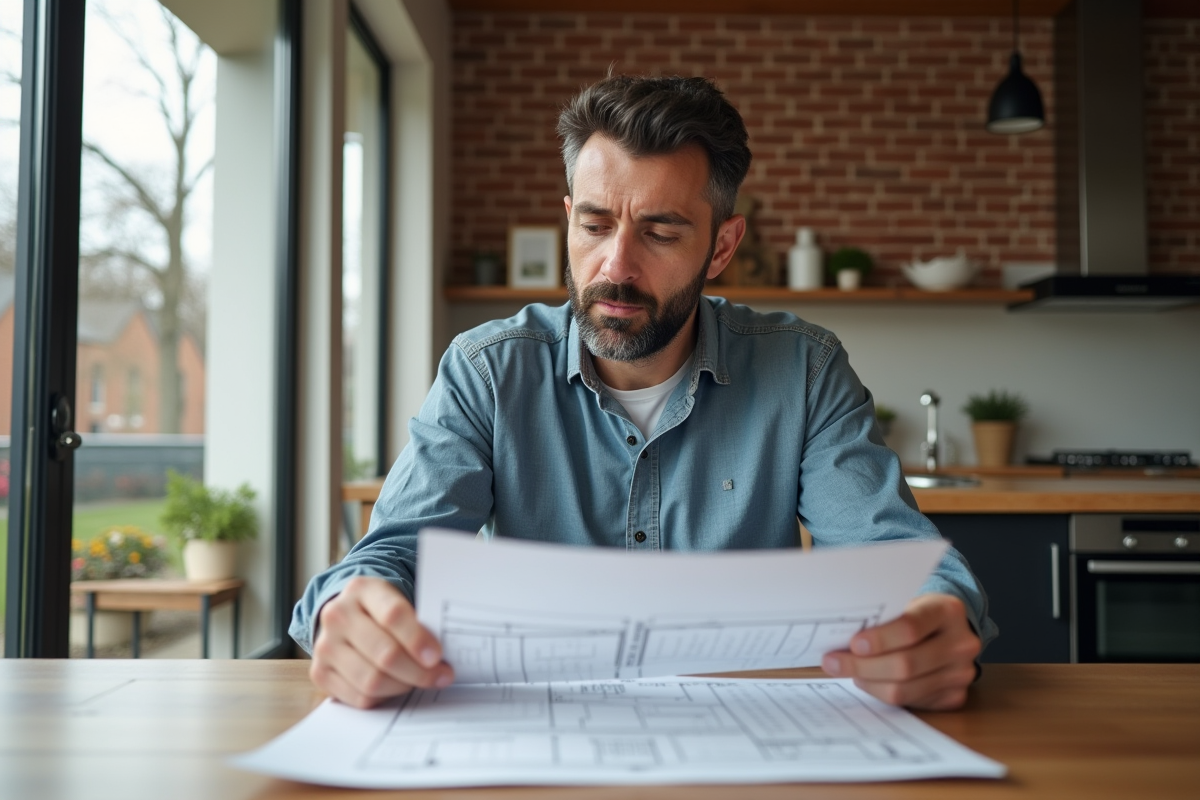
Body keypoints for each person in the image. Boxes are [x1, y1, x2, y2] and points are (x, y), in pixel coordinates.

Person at [291, 75, 996, 712]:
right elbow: (389, 558)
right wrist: (347, 613)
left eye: (659, 232)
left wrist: (936, 615)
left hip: (742, 741)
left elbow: (896, 556)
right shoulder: (487, 372)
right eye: (594, 226)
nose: (616, 266)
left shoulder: (803, 370)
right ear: (569, 219)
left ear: (722, 247)